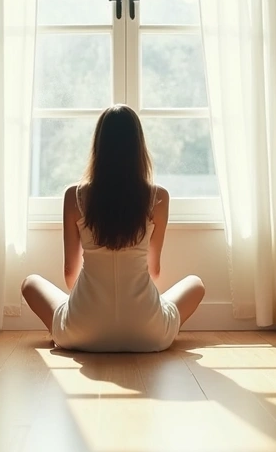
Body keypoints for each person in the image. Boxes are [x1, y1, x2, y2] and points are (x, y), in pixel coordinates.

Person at [21, 105, 205, 352]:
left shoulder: (74, 196)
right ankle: (133, 322)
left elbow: (69, 275)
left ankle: (84, 325)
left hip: (80, 330)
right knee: (196, 284)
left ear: (98, 147)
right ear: (139, 148)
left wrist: (89, 302)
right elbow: (154, 270)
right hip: (150, 333)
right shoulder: (158, 197)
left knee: (30, 283)